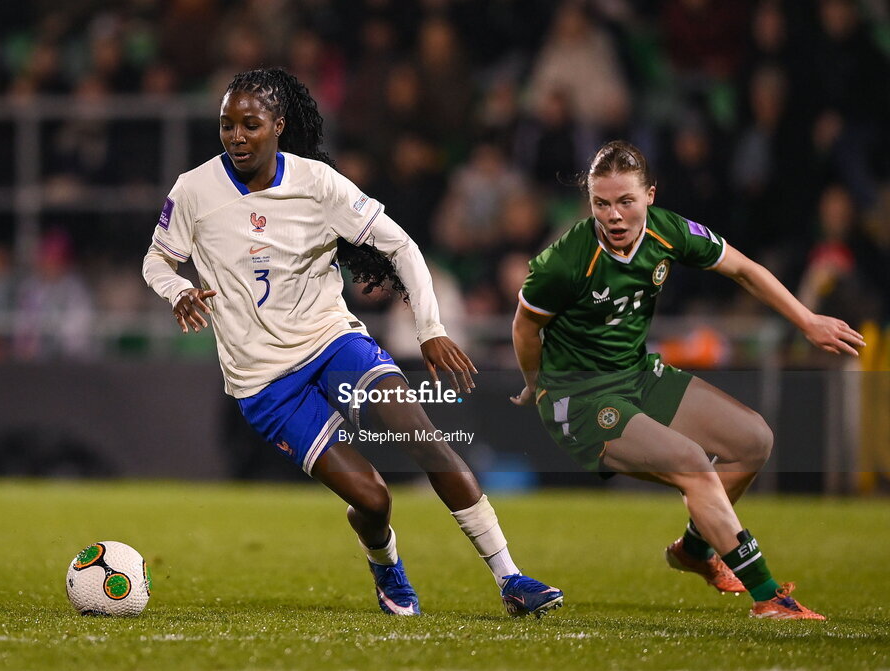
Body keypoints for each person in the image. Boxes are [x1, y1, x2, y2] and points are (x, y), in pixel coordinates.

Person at [142, 68, 563, 617]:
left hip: (333, 342)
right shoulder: (194, 190)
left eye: (250, 124)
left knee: (424, 436)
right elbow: (156, 259)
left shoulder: (319, 184)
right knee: (373, 498)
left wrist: (430, 329)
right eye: (227, 125)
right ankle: (387, 568)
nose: (237, 136)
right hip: (264, 382)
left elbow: (404, 248)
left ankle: (511, 578)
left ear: (278, 126)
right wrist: (177, 289)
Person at [511, 140, 866, 620]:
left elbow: (744, 269)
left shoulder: (668, 232)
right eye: (601, 203)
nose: (613, 216)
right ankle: (768, 597)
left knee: (753, 440)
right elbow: (525, 324)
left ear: (650, 196)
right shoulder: (566, 260)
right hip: (578, 397)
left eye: (625, 201)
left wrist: (806, 320)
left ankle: (695, 550)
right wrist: (536, 384)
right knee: (694, 464)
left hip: (636, 375)